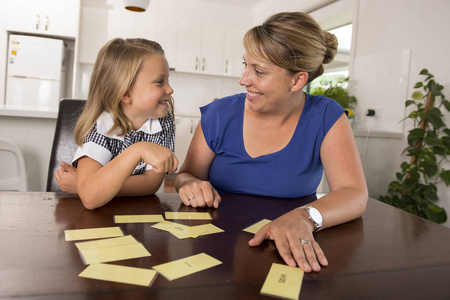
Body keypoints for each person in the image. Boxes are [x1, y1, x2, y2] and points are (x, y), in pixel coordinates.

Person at [174, 12, 368, 273]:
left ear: (298, 80)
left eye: (259, 71)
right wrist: (190, 184)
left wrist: (306, 217)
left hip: (287, 247)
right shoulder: (220, 113)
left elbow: (353, 194)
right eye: (246, 65)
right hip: (215, 247)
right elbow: (186, 174)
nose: (243, 79)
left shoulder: (325, 115)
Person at [55, 38, 178, 210]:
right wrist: (139, 150)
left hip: (136, 216)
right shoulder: (101, 125)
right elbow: (91, 199)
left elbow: (151, 184)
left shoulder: (163, 122)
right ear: (126, 93)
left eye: (168, 80)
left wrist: (85, 187)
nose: (170, 89)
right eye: (160, 82)